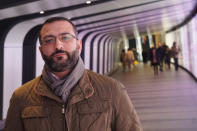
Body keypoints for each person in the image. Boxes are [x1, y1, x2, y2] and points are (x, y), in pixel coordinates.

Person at [4, 17, 142, 131]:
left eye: (65, 37)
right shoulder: (21, 98)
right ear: (41, 50)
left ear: (79, 46)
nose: (58, 46)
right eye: (49, 40)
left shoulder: (112, 90)